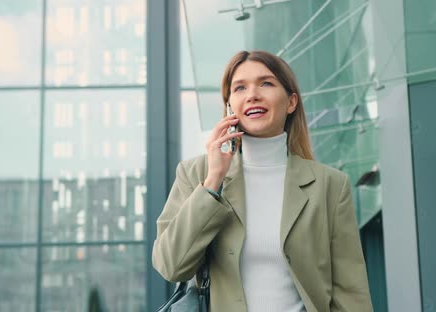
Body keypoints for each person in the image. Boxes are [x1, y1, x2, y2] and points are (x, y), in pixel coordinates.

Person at [152, 50, 373, 312]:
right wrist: (213, 182)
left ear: (291, 102)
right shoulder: (195, 174)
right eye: (240, 87)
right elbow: (171, 265)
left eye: (266, 83)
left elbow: (350, 291)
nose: (252, 94)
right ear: (229, 106)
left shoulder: (331, 185)